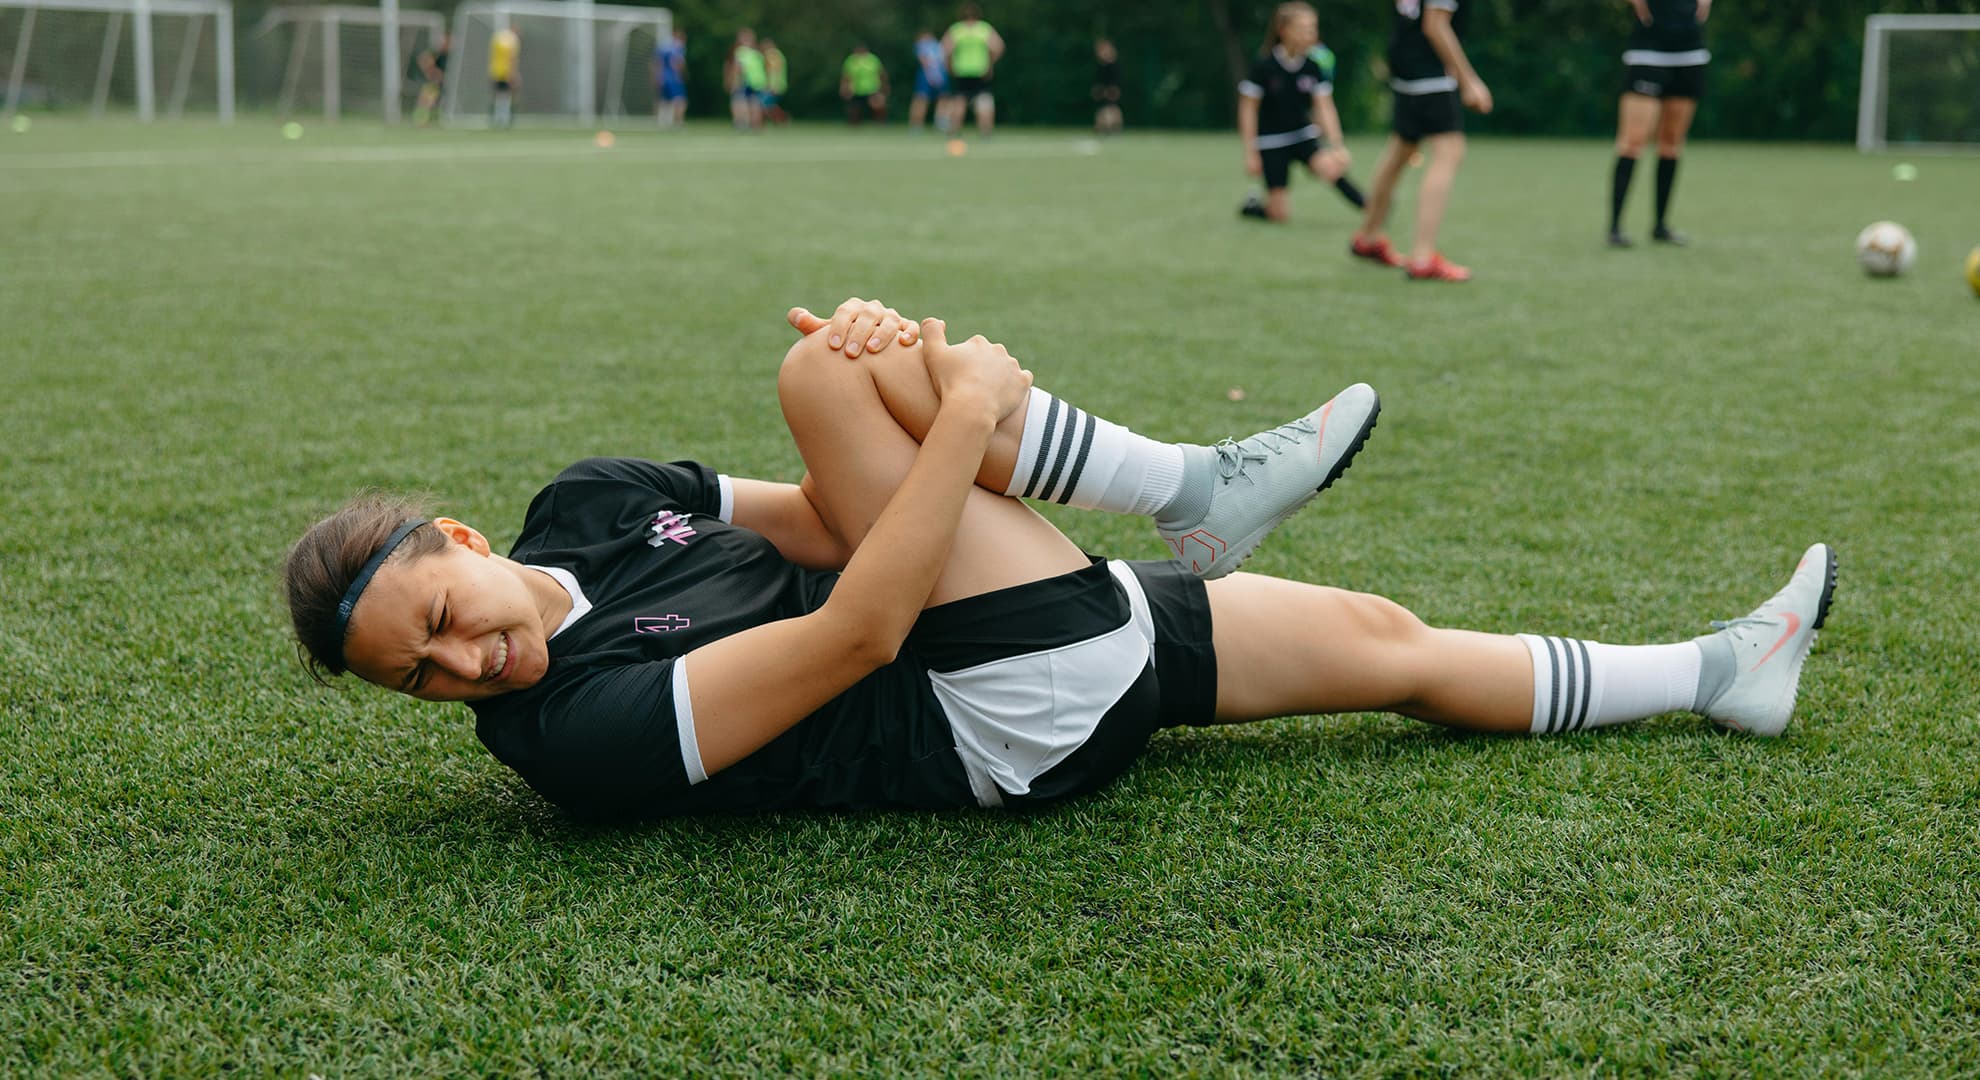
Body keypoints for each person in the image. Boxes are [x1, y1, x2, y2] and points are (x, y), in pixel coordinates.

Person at [284, 298, 1839, 822]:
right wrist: (953, 403)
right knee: (827, 373)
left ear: (467, 542)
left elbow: (837, 527)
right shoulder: (569, 740)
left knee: (1387, 635)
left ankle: (1722, 675)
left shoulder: (596, 501)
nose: (464, 667)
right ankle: (1187, 487)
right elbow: (861, 629)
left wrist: (922, 406)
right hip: (986, 715)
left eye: (442, 618)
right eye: (421, 683)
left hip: (1003, 621)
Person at [1349, 0, 1491, 281]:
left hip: (1405, 66)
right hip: (1430, 71)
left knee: (1402, 149)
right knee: (1449, 151)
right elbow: (1435, 25)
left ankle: (1368, 237)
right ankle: (1423, 257)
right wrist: (1469, 80)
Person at [1236, 4, 1367, 225]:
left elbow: (1324, 106)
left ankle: (1370, 207)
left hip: (1303, 135)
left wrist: (1337, 145)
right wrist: (1251, 152)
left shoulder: (1313, 66)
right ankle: (1253, 206)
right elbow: (1248, 108)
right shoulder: (1264, 66)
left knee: (1330, 168)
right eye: (1303, 29)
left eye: (1312, 29)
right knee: (1279, 215)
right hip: (1271, 141)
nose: (1310, 35)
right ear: (1283, 30)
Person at [1609, 0, 1710, 247]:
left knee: (1671, 143)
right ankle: (1615, 228)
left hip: (1688, 52)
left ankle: (1660, 226)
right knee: (1633, 141)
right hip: (1649, 53)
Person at [942, 4, 1005, 136]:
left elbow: (945, 50)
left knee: (959, 101)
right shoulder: (983, 29)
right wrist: (990, 63)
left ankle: (954, 131)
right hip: (980, 70)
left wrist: (949, 65)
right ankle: (985, 131)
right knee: (984, 100)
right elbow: (999, 47)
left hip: (961, 70)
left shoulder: (957, 30)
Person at [725, 29, 767, 131]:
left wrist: (733, 81)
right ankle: (755, 124)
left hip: (746, 81)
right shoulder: (757, 53)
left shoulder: (741, 52)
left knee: (739, 101)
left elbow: (738, 68)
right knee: (755, 103)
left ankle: (741, 123)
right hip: (758, 81)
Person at [909, 29, 949, 133]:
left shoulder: (923, 45)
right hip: (938, 75)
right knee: (933, 99)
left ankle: (917, 126)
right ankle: (939, 123)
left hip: (929, 75)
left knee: (922, 100)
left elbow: (924, 60)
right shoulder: (937, 45)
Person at [840, 43, 889, 125]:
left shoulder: (873, 59)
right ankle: (854, 126)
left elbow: (881, 73)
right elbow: (846, 76)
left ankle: (881, 124)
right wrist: (844, 88)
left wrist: (885, 86)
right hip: (856, 89)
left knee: (878, 106)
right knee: (854, 109)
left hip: (872, 88)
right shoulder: (851, 60)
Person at [412, 32, 449, 128]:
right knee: (426, 102)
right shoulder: (437, 53)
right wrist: (432, 72)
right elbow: (423, 59)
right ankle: (420, 122)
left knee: (438, 103)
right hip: (434, 83)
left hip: (445, 84)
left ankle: (437, 120)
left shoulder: (451, 54)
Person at [653, 28, 687, 130]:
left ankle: (661, 122)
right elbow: (677, 62)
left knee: (664, 100)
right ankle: (678, 122)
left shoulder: (662, 47)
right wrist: (682, 73)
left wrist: (657, 77)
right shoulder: (678, 46)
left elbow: (656, 63)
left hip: (662, 77)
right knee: (680, 100)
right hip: (673, 77)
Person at [488, 26, 520, 129]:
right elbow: (513, 59)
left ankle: (497, 118)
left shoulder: (497, 39)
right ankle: (504, 119)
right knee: (507, 95)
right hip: (506, 72)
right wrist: (513, 73)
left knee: (498, 95)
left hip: (496, 71)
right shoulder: (513, 42)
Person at [1093, 38, 1123, 135]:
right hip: (1105, 90)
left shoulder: (1113, 65)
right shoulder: (1101, 65)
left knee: (1111, 109)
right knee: (1106, 109)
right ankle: (1104, 128)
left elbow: (1115, 80)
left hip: (1112, 90)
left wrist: (1112, 90)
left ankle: (1112, 128)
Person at [761, 38, 790, 126]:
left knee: (764, 104)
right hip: (777, 84)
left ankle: (783, 118)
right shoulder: (777, 54)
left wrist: (773, 86)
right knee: (769, 104)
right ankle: (780, 120)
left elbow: (775, 71)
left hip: (775, 85)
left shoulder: (772, 55)